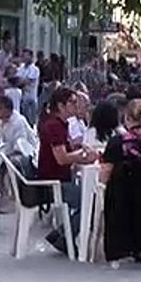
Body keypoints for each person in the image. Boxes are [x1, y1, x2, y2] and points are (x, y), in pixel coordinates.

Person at [35, 87, 98, 254]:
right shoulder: (54, 126)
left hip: (58, 179)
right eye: (72, 102)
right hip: (53, 183)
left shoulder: (59, 124)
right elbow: (62, 158)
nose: (76, 105)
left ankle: (61, 234)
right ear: (61, 106)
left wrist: (78, 147)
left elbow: (66, 148)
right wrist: (84, 157)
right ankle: (64, 238)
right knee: (91, 203)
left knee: (90, 199)